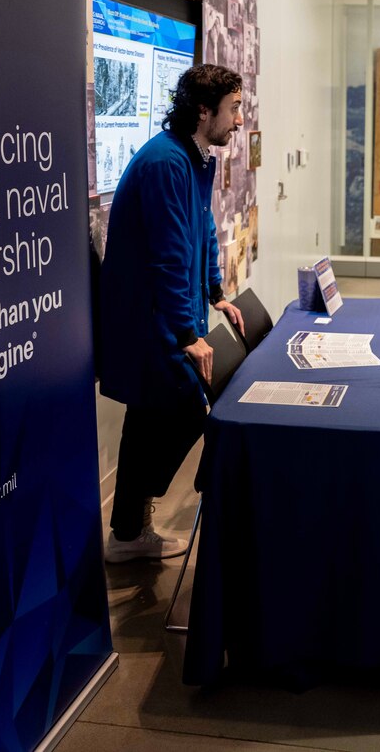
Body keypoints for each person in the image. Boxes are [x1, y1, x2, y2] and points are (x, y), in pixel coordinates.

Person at [97, 64, 246, 563]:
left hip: (166, 314)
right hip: (150, 319)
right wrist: (187, 333)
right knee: (182, 411)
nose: (239, 120)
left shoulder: (194, 157)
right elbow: (167, 255)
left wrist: (216, 292)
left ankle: (127, 531)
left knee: (149, 418)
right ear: (203, 111)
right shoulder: (166, 163)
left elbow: (202, 229)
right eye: (233, 109)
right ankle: (131, 528)